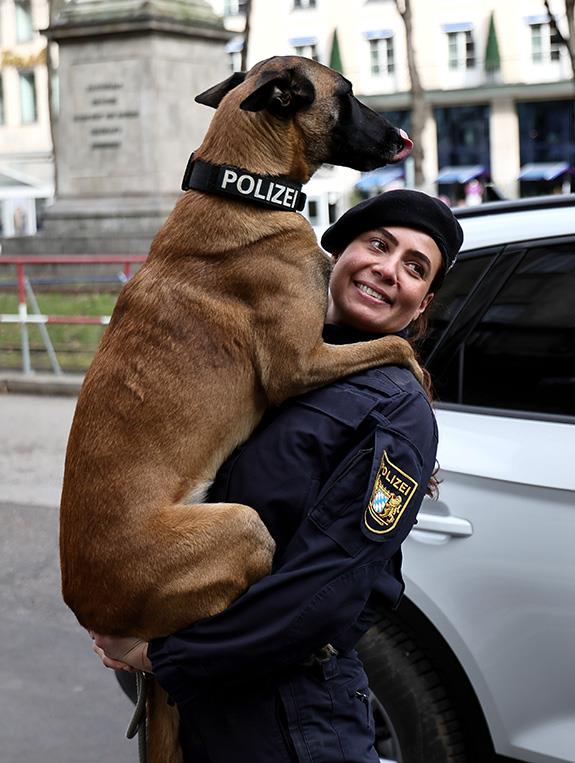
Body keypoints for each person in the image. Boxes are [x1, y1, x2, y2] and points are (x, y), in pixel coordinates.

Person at [91, 188, 463, 762]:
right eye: (379, 245)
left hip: (290, 715)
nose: (389, 270)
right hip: (205, 700)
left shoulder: (394, 406)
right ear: (333, 258)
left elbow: (325, 587)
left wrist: (164, 657)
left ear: (420, 304)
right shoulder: (256, 366)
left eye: (415, 268)